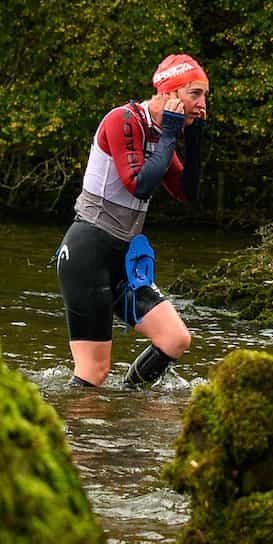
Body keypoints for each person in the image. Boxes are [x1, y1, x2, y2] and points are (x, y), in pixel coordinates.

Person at [55, 54, 208, 388]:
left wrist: (193, 141)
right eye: (195, 94)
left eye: (205, 96)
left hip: (122, 259)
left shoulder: (160, 135)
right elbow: (138, 184)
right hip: (87, 252)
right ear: (169, 95)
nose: (202, 104)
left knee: (175, 339)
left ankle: (128, 407)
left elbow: (187, 194)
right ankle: (72, 435)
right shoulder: (123, 120)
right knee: (94, 370)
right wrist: (170, 134)